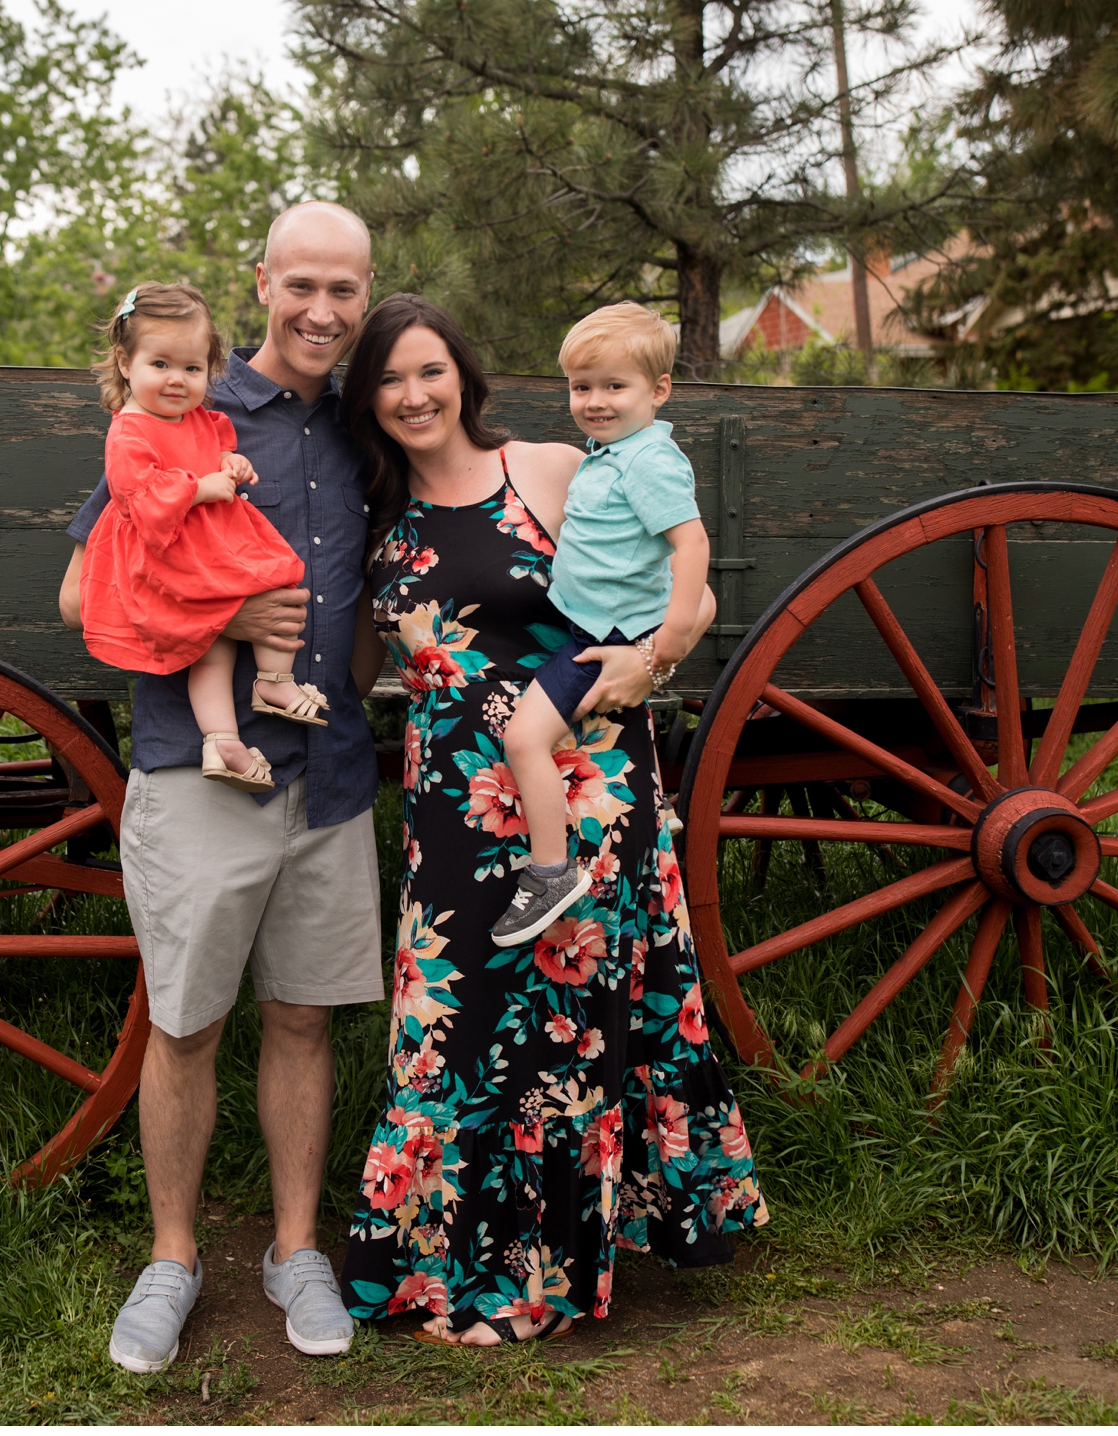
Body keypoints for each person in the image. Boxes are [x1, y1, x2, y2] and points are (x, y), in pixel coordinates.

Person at [336, 293, 766, 1346]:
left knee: (562, 1030)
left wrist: (648, 660)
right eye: (390, 378)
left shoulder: (549, 467)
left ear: (464, 378)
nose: (413, 393)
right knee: (453, 1027)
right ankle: (443, 1268)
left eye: (430, 370)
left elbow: (688, 589)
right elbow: (356, 667)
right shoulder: (369, 518)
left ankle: (543, 1280)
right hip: (451, 802)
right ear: (368, 400)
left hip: (583, 788)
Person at [57, 203, 384, 1374]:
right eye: (301, 284)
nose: (321, 310)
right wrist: (226, 614)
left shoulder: (361, 429)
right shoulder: (181, 408)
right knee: (185, 1021)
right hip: (200, 768)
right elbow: (76, 597)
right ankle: (174, 1256)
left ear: (364, 295)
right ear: (261, 282)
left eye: (343, 290)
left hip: (330, 766)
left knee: (303, 1014)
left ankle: (296, 1248)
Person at [493, 303, 708, 948]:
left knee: (525, 740)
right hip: (591, 624)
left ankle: (551, 871)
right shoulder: (615, 453)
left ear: (658, 390)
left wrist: (665, 644)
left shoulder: (647, 462)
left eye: (614, 386)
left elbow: (691, 545)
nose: (594, 401)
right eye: (582, 387)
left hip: (604, 639)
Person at [77, 281, 330, 793]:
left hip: (210, 545)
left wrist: (229, 462)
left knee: (276, 584)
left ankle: (256, 701)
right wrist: (199, 487)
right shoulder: (129, 430)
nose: (177, 380)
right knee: (213, 639)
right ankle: (239, 719)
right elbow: (139, 496)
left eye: (192, 369)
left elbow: (213, 450)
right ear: (126, 363)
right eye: (161, 365)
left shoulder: (194, 419)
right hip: (167, 551)